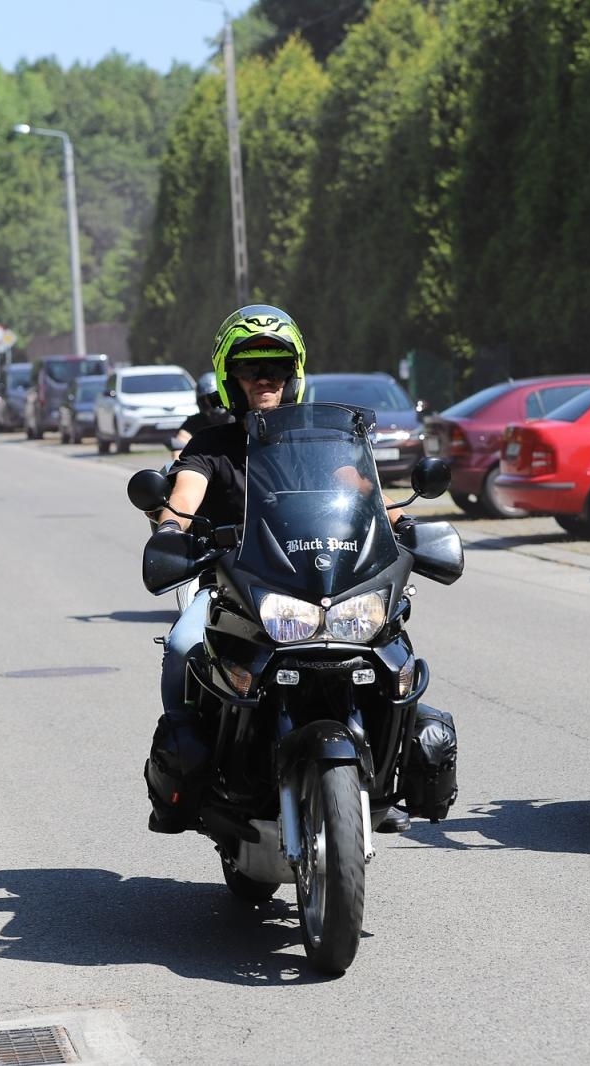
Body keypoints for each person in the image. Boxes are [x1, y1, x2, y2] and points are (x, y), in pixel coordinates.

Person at [143, 305, 414, 835]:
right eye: (251, 367)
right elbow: (183, 498)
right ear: (230, 376)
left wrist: (403, 520)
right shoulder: (211, 446)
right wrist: (172, 526)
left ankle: (387, 777)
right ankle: (184, 776)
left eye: (277, 366)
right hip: (238, 590)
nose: (265, 377)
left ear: (295, 373)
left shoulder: (316, 441)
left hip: (320, 585)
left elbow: (365, 493)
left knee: (394, 647)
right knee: (181, 647)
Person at [168, 371, 235, 460]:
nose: (212, 404)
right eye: (205, 401)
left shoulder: (239, 418)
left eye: (216, 398)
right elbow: (181, 443)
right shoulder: (194, 422)